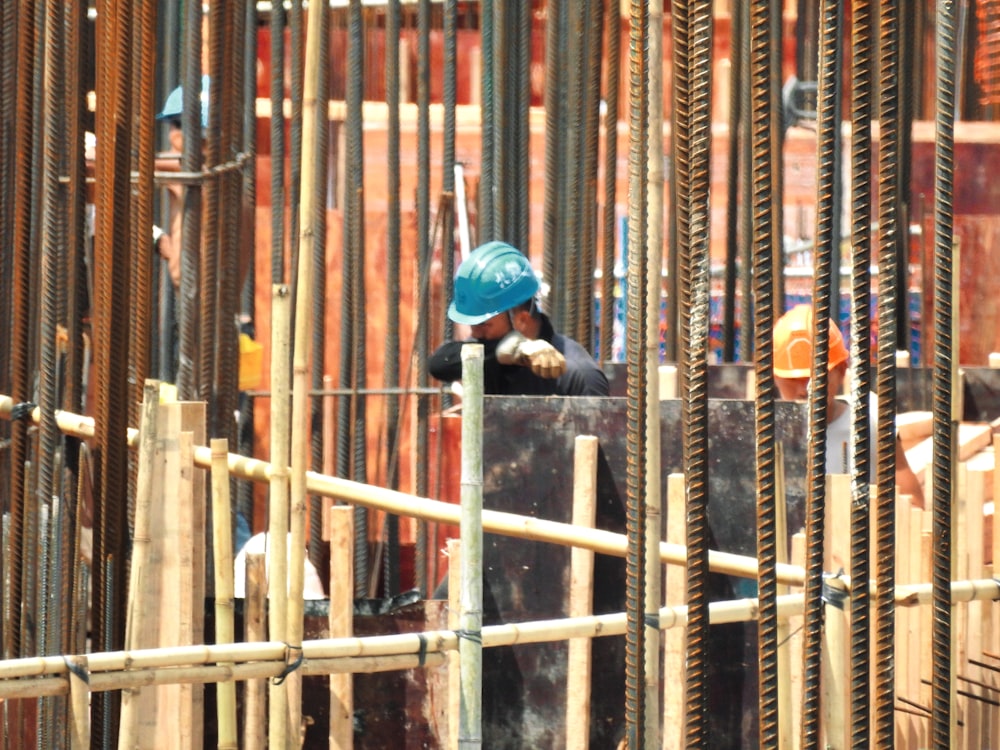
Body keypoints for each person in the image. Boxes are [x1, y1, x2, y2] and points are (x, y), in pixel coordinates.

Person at [773, 303, 925, 508]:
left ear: (842, 370)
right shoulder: (765, 433)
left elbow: (911, 505)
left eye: (815, 377)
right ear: (775, 378)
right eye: (793, 379)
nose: (805, 389)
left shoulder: (869, 419)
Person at [428, 240, 610, 396]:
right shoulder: (492, 357)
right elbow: (438, 365)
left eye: (484, 324)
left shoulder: (579, 375)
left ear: (522, 319)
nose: (475, 332)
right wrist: (511, 350)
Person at [153, 75, 211, 288]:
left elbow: (129, 166)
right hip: (214, 295)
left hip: (198, 296)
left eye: (172, 127)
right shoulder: (229, 171)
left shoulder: (189, 169)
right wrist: (159, 240)